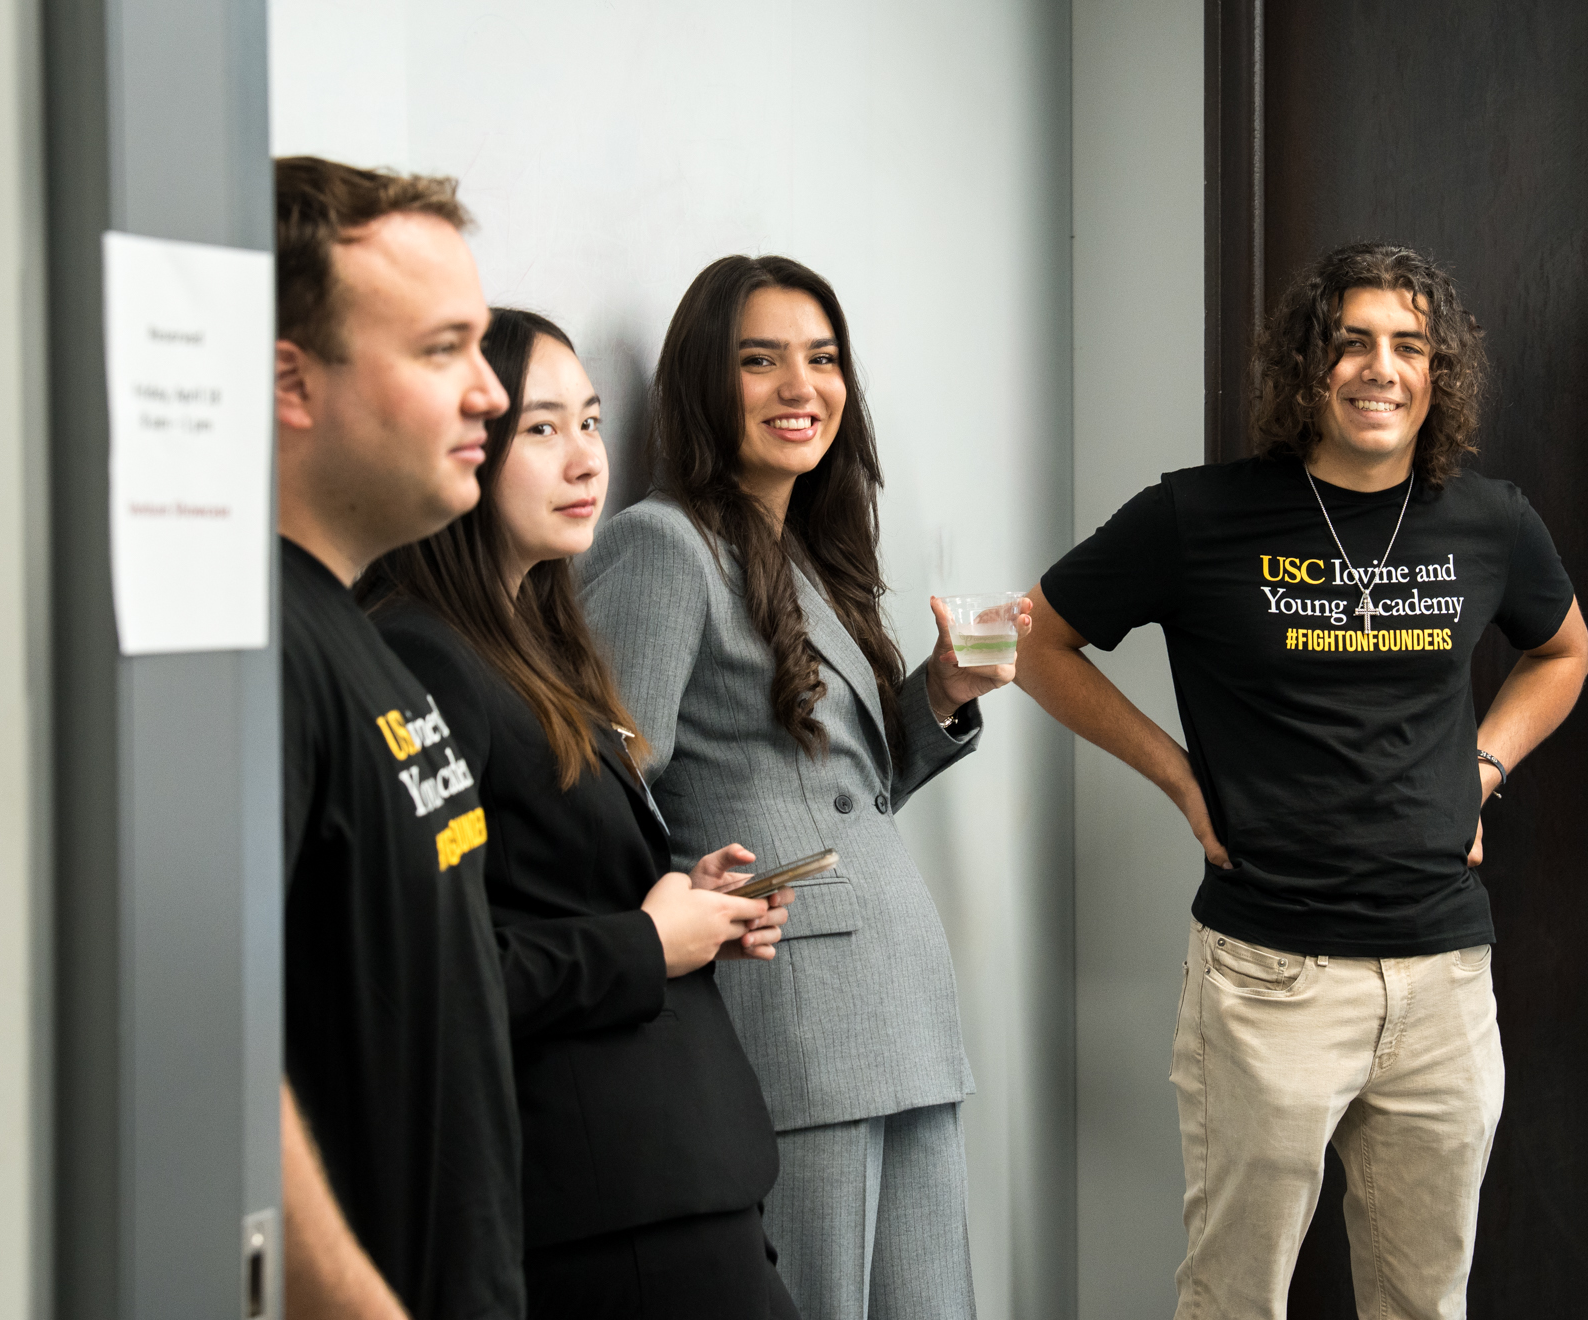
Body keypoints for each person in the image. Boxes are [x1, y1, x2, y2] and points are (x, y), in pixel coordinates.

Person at [1017, 242, 1588, 1320]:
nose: (1382, 368)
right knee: (1236, 1301)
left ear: (1439, 373)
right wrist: (1181, 780)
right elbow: (1040, 644)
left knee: (1424, 1305)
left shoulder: (1489, 519)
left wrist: (1483, 764)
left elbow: (1565, 654)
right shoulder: (1199, 517)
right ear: (1306, 366)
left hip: (1443, 981)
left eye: (1409, 345)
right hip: (1267, 979)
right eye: (1353, 341)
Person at [582, 255, 1029, 1320]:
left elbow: (844, 789)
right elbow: (605, 787)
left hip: (902, 1006)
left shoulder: (811, 557)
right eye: (760, 360)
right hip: (789, 1020)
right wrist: (674, 919)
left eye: (822, 359)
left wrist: (942, 692)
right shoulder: (662, 546)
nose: (801, 386)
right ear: (703, 380)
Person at [360, 307, 801, 1319]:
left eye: (593, 422)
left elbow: (552, 891)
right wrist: (650, 943)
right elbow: (440, 968)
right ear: (465, 444)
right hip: (602, 1200)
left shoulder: (538, 645)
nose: (586, 459)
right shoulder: (426, 654)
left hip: (674, 1175)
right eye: (542, 429)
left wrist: (691, 910)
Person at [273, 156, 520, 1320]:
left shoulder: (351, 628)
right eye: (442, 350)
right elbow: (211, 1041)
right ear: (292, 382)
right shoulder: (256, 644)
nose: (491, 394)